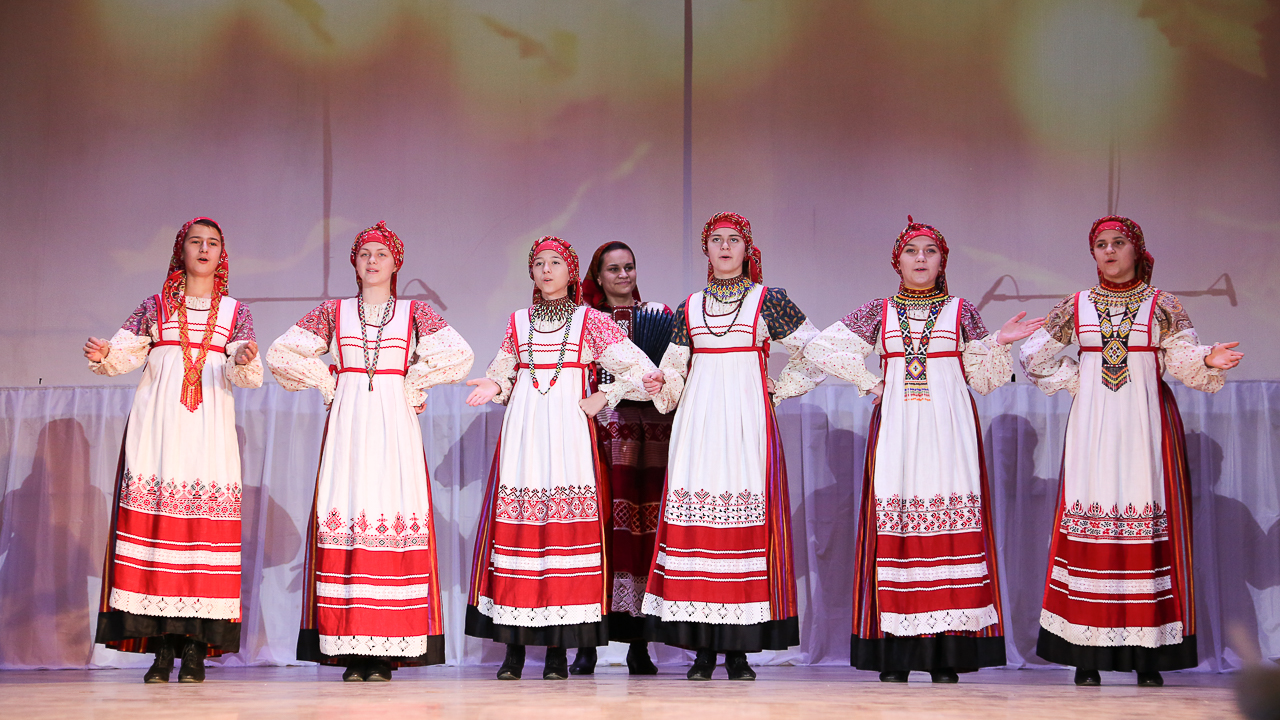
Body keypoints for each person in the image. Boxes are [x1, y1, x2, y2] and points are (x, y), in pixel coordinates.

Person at [804, 216, 1043, 683]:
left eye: (930, 251)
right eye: (912, 251)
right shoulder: (880, 310)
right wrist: (871, 382)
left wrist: (999, 342)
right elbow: (822, 350)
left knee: (950, 528)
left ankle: (944, 654)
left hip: (949, 430)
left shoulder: (961, 311)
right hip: (897, 428)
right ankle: (895, 654)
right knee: (897, 525)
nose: (920, 258)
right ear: (897, 261)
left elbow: (985, 380)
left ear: (942, 262)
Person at [1020, 215, 1243, 687]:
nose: (1109, 250)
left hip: (1146, 425)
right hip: (1093, 428)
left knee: (1145, 517)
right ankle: (1085, 654)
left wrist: (1208, 358)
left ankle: (1148, 656)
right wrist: (1077, 381)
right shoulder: (1075, 306)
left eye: (1118, 242)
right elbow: (1033, 356)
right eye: (1100, 244)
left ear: (1136, 249)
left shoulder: (1163, 305)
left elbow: (1182, 358)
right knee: (1091, 515)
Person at [266, 221, 473, 682]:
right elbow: (281, 353)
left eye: (381, 254)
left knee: (390, 508)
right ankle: (350, 646)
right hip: (349, 420)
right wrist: (329, 382)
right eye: (364, 254)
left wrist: (411, 383)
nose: (373, 260)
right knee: (349, 506)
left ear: (396, 263)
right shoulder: (334, 311)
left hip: (394, 421)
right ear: (355, 265)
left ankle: (384, 650)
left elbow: (458, 354)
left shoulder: (415, 312)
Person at [640, 212, 825, 681]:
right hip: (698, 425)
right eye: (717, 240)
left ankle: (738, 652)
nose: (725, 247)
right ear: (706, 249)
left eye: (734, 239)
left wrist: (781, 388)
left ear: (747, 248)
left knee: (743, 529)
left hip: (745, 424)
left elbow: (818, 351)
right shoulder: (689, 307)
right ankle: (703, 650)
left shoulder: (769, 300)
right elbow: (676, 371)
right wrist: (662, 382)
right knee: (699, 530)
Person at [464, 236, 657, 681]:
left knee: (562, 535)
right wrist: (495, 385)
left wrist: (604, 394)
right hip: (525, 433)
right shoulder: (519, 321)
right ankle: (513, 650)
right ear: (531, 273)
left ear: (571, 272)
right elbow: (503, 371)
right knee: (521, 533)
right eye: (539, 263)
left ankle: (557, 653)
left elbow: (640, 368)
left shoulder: (590, 321)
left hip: (568, 433)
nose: (547, 269)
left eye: (555, 262)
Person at [86, 217, 262, 683]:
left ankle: (196, 648)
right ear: (180, 251)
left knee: (201, 535)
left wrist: (244, 358)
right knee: (160, 529)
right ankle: (162, 647)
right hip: (159, 430)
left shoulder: (235, 312)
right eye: (195, 241)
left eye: (212, 243)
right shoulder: (155, 305)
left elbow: (244, 367)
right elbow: (124, 352)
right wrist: (106, 355)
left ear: (222, 254)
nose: (204, 249)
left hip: (209, 432)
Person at [569, 241, 675, 675]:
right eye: (613, 269)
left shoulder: (659, 313)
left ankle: (640, 645)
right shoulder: (584, 319)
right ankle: (586, 645)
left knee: (644, 530)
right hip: (605, 427)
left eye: (629, 266)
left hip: (653, 432)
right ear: (597, 276)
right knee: (602, 530)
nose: (623, 275)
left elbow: (672, 367)